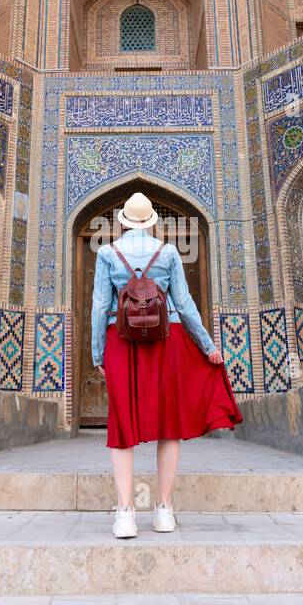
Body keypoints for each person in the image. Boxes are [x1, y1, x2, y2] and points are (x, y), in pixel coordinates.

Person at [90, 191, 243, 538]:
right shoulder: (169, 252)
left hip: (121, 341)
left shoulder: (106, 253)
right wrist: (207, 346)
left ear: (123, 222)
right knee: (169, 424)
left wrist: (98, 354)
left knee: (121, 426)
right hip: (166, 339)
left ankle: (126, 513)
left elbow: (100, 307)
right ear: (152, 222)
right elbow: (185, 305)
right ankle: (163, 511)